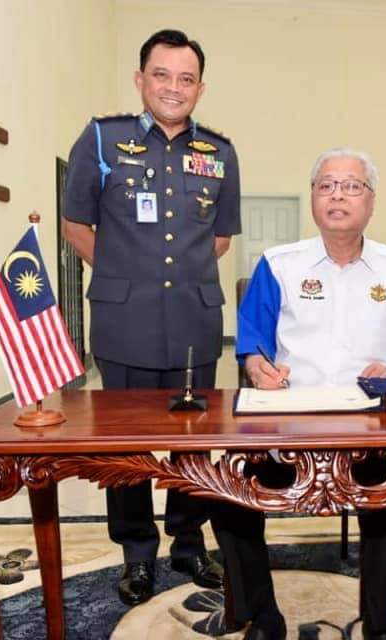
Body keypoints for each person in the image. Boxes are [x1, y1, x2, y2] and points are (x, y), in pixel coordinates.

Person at [216, 148, 386, 640]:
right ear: (314, 198)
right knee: (226, 493)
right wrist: (258, 367)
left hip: (370, 423)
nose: (337, 194)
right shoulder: (279, 264)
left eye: (351, 185)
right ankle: (262, 614)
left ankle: (379, 622)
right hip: (288, 422)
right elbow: (252, 341)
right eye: (326, 185)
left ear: (371, 200)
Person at [62, 29, 239, 606]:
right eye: (161, 75)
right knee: (127, 449)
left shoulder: (219, 152)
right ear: (141, 80)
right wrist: (124, 275)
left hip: (194, 321)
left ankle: (188, 543)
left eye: (185, 79)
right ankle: (136, 553)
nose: (173, 87)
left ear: (200, 88)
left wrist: (175, 280)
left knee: (194, 444)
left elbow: (219, 239)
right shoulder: (101, 138)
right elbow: (75, 225)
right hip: (124, 322)